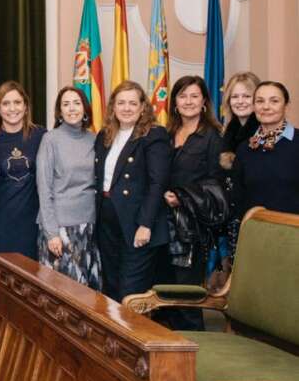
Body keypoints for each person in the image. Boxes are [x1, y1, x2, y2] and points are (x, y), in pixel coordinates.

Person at [94, 81, 170, 302]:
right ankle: (113, 336)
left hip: (137, 222)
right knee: (111, 285)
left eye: (132, 103)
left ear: (142, 107)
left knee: (131, 290)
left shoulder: (153, 135)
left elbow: (157, 183)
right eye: (121, 103)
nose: (126, 108)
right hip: (107, 218)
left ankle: (130, 336)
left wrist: (146, 225)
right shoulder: (105, 135)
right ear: (113, 107)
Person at [160, 76, 224, 330]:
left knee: (186, 294)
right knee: (164, 291)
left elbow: (217, 184)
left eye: (194, 96)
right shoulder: (165, 134)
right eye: (183, 96)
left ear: (204, 102)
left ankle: (195, 353)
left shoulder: (212, 137)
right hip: (162, 223)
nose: (188, 101)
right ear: (174, 102)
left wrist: (182, 197)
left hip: (192, 226)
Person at [0, 81, 45, 297]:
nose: (12, 108)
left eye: (17, 102)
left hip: (31, 225)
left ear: (26, 106)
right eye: (5, 103)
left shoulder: (42, 136)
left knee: (30, 284)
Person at [35, 86, 100, 289]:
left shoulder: (95, 139)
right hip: (60, 228)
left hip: (89, 227)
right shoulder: (50, 139)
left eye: (76, 103)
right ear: (59, 112)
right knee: (63, 293)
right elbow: (44, 189)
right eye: (66, 104)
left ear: (85, 108)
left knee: (88, 292)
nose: (72, 108)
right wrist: (52, 232)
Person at [233, 81, 299, 215]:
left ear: (286, 105)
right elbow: (238, 197)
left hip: (293, 231)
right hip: (254, 231)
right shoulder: (244, 148)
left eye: (274, 101)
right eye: (260, 101)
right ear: (254, 106)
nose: (266, 107)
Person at [218, 71, 260, 259]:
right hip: (233, 217)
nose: (240, 101)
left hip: (257, 217)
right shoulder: (228, 133)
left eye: (246, 96)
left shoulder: (264, 132)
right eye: (235, 96)